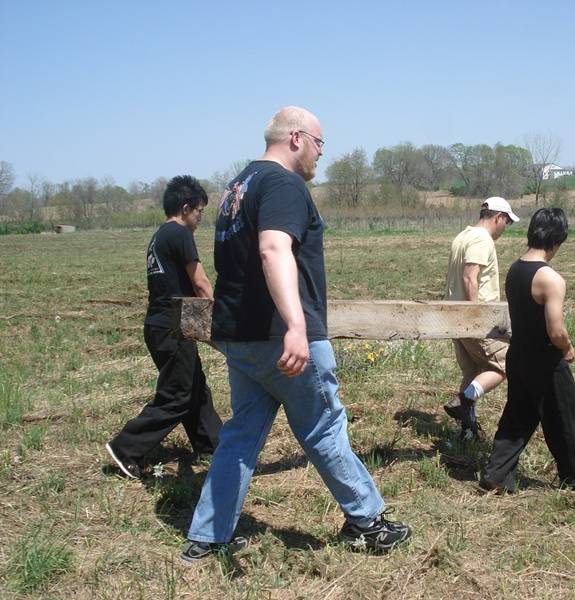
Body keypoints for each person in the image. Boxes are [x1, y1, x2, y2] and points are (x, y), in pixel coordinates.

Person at [180, 106, 411, 565]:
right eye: (320, 143)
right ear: (296, 138)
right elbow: (273, 248)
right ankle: (367, 522)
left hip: (241, 337)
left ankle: (208, 536)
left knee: (241, 434)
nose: (321, 154)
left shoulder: (237, 187)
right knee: (324, 426)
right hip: (279, 336)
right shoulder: (283, 183)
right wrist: (297, 325)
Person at [106, 176, 222, 479]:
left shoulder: (160, 235)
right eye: (199, 211)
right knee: (178, 395)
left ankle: (213, 445)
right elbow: (200, 282)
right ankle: (126, 448)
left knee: (194, 386)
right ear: (185, 208)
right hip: (173, 325)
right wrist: (219, 320)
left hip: (162, 323)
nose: (200, 217)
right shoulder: (180, 233)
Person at [479, 208, 575, 494]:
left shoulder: (515, 269)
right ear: (557, 240)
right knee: (565, 421)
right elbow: (555, 330)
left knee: (517, 419)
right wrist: (567, 348)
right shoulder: (550, 279)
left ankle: (496, 475)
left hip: (518, 355)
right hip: (545, 362)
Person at [442, 197, 519, 439]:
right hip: (474, 319)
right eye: (507, 222)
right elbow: (469, 277)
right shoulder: (481, 239)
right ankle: (464, 401)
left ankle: (467, 429)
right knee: (506, 364)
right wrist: (476, 317)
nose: (506, 228)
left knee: (473, 370)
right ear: (498, 217)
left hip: (455, 317)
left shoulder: (463, 236)